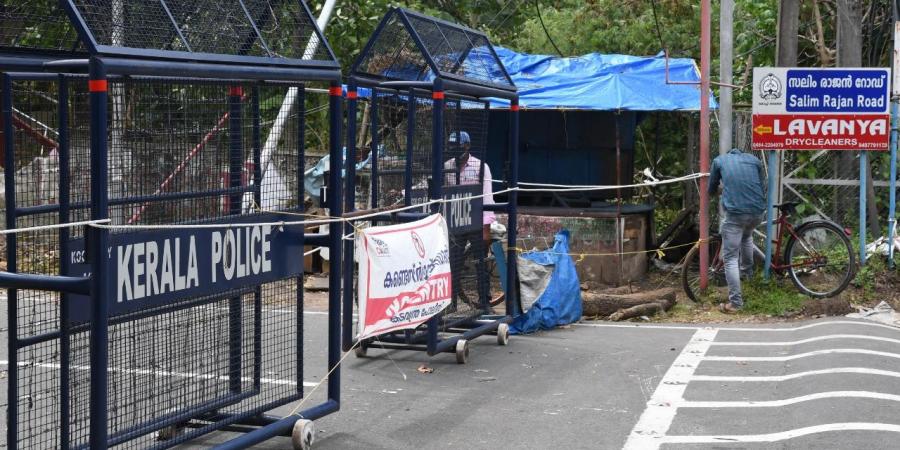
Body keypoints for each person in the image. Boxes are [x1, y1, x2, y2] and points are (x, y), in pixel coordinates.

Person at [708, 147, 766, 314]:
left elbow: (711, 189)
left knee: (731, 258)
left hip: (736, 214)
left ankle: (735, 303)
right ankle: (747, 276)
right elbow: (761, 185)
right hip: (757, 213)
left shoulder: (719, 161)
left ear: (728, 154)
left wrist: (722, 190)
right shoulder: (755, 161)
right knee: (746, 237)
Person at [445, 131, 496, 241]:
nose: (454, 149)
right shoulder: (447, 165)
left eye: (458, 145)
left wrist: (486, 227)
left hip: (475, 217)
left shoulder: (481, 167)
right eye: (452, 145)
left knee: (480, 246)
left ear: (467, 146)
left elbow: (487, 196)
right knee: (455, 249)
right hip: (456, 218)